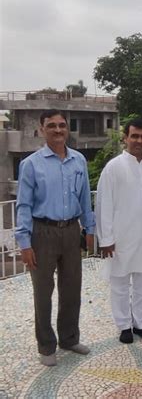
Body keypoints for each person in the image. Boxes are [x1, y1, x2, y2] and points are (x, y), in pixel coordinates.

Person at [15, 110, 95, 366]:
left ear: (67, 129)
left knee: (72, 288)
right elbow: (23, 206)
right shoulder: (31, 164)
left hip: (72, 231)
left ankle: (69, 338)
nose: (58, 130)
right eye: (52, 126)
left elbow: (85, 199)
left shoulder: (79, 160)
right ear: (42, 129)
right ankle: (46, 345)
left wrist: (89, 229)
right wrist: (25, 243)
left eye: (62, 125)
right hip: (43, 233)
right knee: (43, 291)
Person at [96, 119, 142, 344]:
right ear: (125, 138)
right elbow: (103, 204)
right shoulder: (113, 167)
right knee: (119, 282)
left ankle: (141, 324)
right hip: (119, 235)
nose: (139, 141)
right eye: (134, 136)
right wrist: (106, 238)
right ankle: (124, 325)